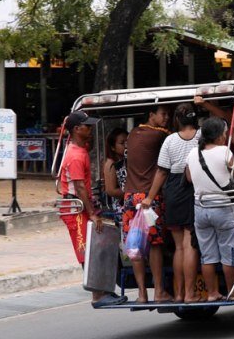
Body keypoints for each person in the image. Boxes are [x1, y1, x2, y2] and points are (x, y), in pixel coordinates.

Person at [59, 110, 126, 308]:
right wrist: (91, 214)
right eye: (86, 126)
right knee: (87, 251)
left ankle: (103, 291)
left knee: (94, 248)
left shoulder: (80, 149)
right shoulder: (75, 155)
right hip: (76, 208)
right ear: (77, 129)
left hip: (80, 206)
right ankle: (98, 295)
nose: (90, 129)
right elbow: (79, 187)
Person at [185, 117, 234, 302]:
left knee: (208, 255)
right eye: (225, 133)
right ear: (220, 135)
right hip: (222, 208)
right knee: (228, 252)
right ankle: (232, 291)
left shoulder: (193, 153)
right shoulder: (223, 151)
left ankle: (212, 293)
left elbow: (189, 178)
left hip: (201, 209)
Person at [146, 103, 201, 303]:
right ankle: (190, 294)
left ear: (177, 120)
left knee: (179, 247)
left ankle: (178, 294)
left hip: (172, 190)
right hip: (193, 187)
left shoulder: (169, 140)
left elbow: (161, 172)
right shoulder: (201, 137)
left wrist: (149, 198)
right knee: (190, 245)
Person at [122, 105, 171, 303]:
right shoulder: (160, 135)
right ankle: (159, 291)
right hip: (149, 198)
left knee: (135, 245)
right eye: (163, 114)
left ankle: (142, 294)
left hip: (129, 198)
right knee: (155, 245)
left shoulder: (133, 133)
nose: (166, 118)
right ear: (151, 115)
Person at [103, 127, 128, 222]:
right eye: (122, 143)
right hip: (121, 207)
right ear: (113, 147)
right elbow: (111, 190)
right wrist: (131, 195)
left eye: (127, 142)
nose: (126, 145)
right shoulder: (110, 164)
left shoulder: (127, 159)